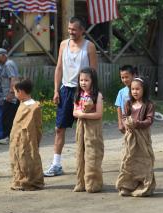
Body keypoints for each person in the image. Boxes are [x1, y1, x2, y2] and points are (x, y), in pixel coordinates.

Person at [44, 16, 97, 177]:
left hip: (83, 91)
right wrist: (55, 90)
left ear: (82, 30)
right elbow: (59, 68)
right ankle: (56, 164)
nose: (71, 32)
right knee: (59, 128)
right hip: (66, 90)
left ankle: (88, 163)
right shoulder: (63, 45)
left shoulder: (89, 47)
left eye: (74, 29)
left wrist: (92, 95)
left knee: (85, 130)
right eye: (69, 29)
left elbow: (94, 72)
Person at [116, 77, 156, 197]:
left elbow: (149, 120)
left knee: (144, 160)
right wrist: (126, 123)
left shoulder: (149, 105)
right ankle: (127, 186)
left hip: (143, 138)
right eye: (132, 89)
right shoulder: (128, 103)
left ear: (144, 90)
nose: (135, 91)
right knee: (129, 159)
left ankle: (144, 186)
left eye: (138, 89)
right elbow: (124, 116)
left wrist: (137, 123)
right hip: (130, 138)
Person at [9, 78, 45, 191]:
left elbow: (37, 126)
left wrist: (35, 139)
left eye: (14, 91)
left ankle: (31, 181)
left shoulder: (34, 107)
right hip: (17, 139)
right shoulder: (22, 104)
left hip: (28, 139)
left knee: (28, 159)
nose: (14, 94)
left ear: (20, 91)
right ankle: (19, 179)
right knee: (17, 158)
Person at [73, 67, 104, 193]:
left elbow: (99, 114)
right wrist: (80, 114)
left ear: (93, 81)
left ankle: (93, 183)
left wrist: (83, 115)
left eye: (86, 80)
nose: (83, 82)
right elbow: (74, 111)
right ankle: (81, 182)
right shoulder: (78, 95)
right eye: (81, 80)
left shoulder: (98, 96)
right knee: (80, 154)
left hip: (93, 128)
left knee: (92, 155)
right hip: (81, 127)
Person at [0, 48, 20, 145]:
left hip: (10, 96)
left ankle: (8, 137)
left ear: (2, 55)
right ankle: (11, 136)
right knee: (10, 116)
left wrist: (10, 92)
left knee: (7, 117)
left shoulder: (8, 64)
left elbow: (13, 78)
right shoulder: (10, 63)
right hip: (12, 95)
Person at [115, 65, 136, 134]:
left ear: (133, 76)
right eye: (122, 77)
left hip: (137, 120)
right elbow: (119, 107)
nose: (124, 80)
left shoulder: (138, 90)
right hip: (126, 121)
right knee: (128, 141)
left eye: (127, 77)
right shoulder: (121, 92)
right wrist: (120, 123)